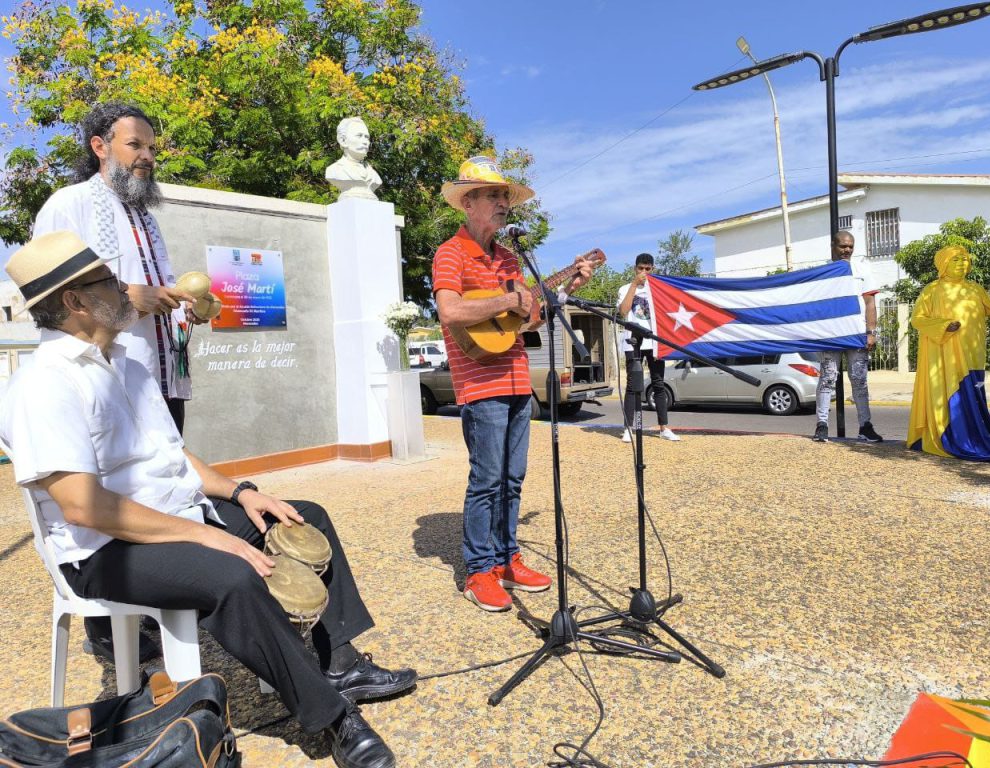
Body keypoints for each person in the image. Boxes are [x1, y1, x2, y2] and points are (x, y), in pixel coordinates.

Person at [1, 231, 416, 768]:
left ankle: (338, 662)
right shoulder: (42, 386)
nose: (126, 289)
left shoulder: (126, 364)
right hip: (105, 549)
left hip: (175, 516)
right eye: (108, 281)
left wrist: (244, 493)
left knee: (303, 517)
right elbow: (83, 506)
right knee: (232, 574)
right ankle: (333, 718)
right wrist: (209, 535)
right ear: (74, 302)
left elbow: (176, 455)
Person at [33, 102, 200, 663]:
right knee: (116, 490)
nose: (149, 157)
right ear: (100, 146)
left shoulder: (147, 216)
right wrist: (136, 297)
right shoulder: (69, 205)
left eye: (152, 147)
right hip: (101, 378)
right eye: (136, 146)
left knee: (163, 479)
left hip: (156, 375)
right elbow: (58, 296)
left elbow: (162, 287)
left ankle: (175, 591)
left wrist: (185, 306)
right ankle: (112, 626)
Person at [432, 156, 593, 612]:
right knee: (486, 479)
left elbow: (526, 319)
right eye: (495, 195)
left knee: (513, 478)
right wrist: (508, 299)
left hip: (518, 379)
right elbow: (451, 312)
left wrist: (554, 293)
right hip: (479, 384)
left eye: (505, 195)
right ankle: (479, 570)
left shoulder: (509, 256)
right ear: (468, 202)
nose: (504, 203)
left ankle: (507, 559)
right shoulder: (451, 253)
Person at [907, 245, 990, 467]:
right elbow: (918, 319)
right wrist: (943, 326)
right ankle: (951, 437)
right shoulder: (932, 290)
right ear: (943, 264)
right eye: (956, 260)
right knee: (952, 396)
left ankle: (975, 437)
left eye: (965, 260)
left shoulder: (975, 289)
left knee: (974, 397)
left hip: (973, 354)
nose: (963, 264)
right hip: (944, 356)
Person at [812, 231, 884, 443]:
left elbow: (870, 303)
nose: (847, 250)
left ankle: (865, 426)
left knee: (859, 381)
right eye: (843, 246)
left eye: (851, 246)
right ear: (833, 245)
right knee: (827, 378)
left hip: (856, 334)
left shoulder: (862, 269)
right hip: (831, 334)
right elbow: (815, 304)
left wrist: (871, 332)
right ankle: (822, 425)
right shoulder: (823, 271)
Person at [617, 253, 679, 443]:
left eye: (647, 269)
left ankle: (663, 428)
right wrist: (635, 285)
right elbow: (623, 311)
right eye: (640, 268)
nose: (644, 272)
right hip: (633, 341)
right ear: (635, 268)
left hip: (654, 341)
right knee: (632, 385)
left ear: (653, 269)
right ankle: (629, 428)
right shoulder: (626, 288)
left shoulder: (658, 290)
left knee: (658, 383)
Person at [325, 117, 383, 200]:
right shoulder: (334, 170)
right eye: (359, 136)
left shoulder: (374, 175)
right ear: (343, 141)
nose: (365, 142)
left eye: (367, 137)